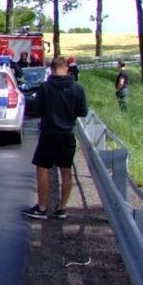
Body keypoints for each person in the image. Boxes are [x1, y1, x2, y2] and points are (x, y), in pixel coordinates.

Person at [23, 56, 88, 220]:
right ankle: (62, 208)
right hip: (67, 134)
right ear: (67, 69)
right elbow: (83, 112)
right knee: (66, 170)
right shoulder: (78, 88)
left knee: (42, 168)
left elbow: (37, 111)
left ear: (51, 69)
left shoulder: (45, 87)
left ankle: (42, 207)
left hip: (49, 134)